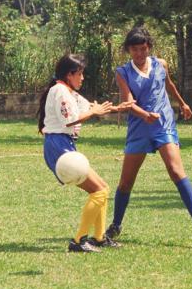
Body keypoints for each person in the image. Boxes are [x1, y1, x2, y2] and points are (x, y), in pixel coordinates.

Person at [106, 26, 192, 240]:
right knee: (126, 182)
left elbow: (169, 85)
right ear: (128, 50)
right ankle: (116, 225)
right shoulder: (123, 72)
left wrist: (182, 104)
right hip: (139, 128)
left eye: (143, 49)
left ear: (149, 47)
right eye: (135, 50)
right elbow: (128, 103)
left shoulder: (160, 64)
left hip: (163, 124)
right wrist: (145, 115)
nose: (140, 54)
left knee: (175, 170)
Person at [38, 54, 131, 253]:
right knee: (99, 191)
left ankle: (98, 238)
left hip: (63, 144)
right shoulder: (61, 91)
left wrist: (117, 108)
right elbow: (69, 121)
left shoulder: (69, 91)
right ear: (69, 74)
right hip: (58, 146)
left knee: (102, 188)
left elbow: (90, 107)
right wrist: (95, 112)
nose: (82, 78)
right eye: (79, 74)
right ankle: (79, 240)